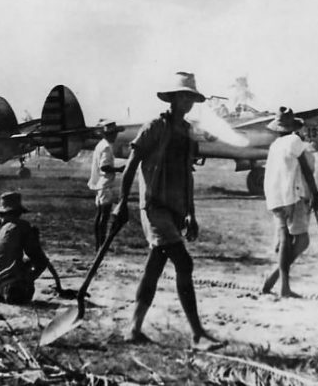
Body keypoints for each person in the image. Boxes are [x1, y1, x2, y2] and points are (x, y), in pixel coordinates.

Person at [114, 71, 224, 351]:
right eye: (183, 96)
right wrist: (121, 201)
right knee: (184, 263)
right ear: (173, 99)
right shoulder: (154, 127)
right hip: (154, 207)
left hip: (175, 210)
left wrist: (191, 212)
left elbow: (188, 175)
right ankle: (197, 334)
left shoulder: (187, 132)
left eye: (191, 97)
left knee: (154, 267)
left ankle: (133, 329)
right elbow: (131, 164)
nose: (187, 101)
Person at [260, 107, 318, 298]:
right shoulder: (295, 141)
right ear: (294, 127)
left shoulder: (275, 144)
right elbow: (306, 170)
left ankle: (275, 279)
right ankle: (281, 283)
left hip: (274, 196)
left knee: (286, 238)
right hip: (290, 196)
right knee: (301, 240)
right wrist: (316, 194)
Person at [0, 191, 67, 304]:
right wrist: (29, 278)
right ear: (18, 211)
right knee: (33, 263)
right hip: (9, 290)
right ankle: (18, 287)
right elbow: (39, 259)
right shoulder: (22, 226)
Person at [87, 120, 125, 250]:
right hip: (105, 184)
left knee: (99, 217)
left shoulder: (100, 145)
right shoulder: (107, 147)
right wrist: (118, 170)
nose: (115, 136)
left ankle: (99, 244)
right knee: (104, 217)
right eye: (114, 133)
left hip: (99, 184)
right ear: (109, 134)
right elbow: (104, 167)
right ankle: (101, 245)